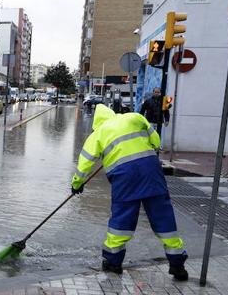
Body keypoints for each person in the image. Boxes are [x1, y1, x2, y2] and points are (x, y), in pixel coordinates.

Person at [71, 104, 188, 281]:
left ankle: (113, 262)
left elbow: (85, 162)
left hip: (124, 177)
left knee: (122, 218)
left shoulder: (98, 134)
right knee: (163, 216)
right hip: (151, 172)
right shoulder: (134, 117)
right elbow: (155, 140)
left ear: (97, 122)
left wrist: (77, 184)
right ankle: (177, 264)